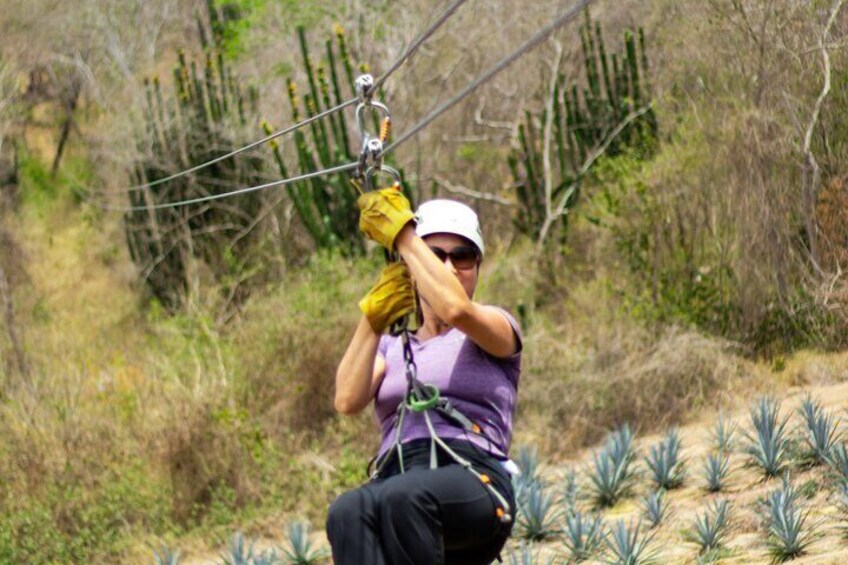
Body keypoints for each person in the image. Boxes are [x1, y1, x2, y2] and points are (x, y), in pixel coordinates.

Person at [326, 188, 522, 565]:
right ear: (413, 265)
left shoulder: (493, 327)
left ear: (478, 267)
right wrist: (373, 319)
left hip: (473, 477)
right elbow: (347, 400)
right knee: (347, 511)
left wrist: (402, 234)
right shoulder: (390, 347)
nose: (449, 268)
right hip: (396, 476)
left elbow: (455, 309)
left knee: (405, 496)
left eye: (462, 257)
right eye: (435, 256)